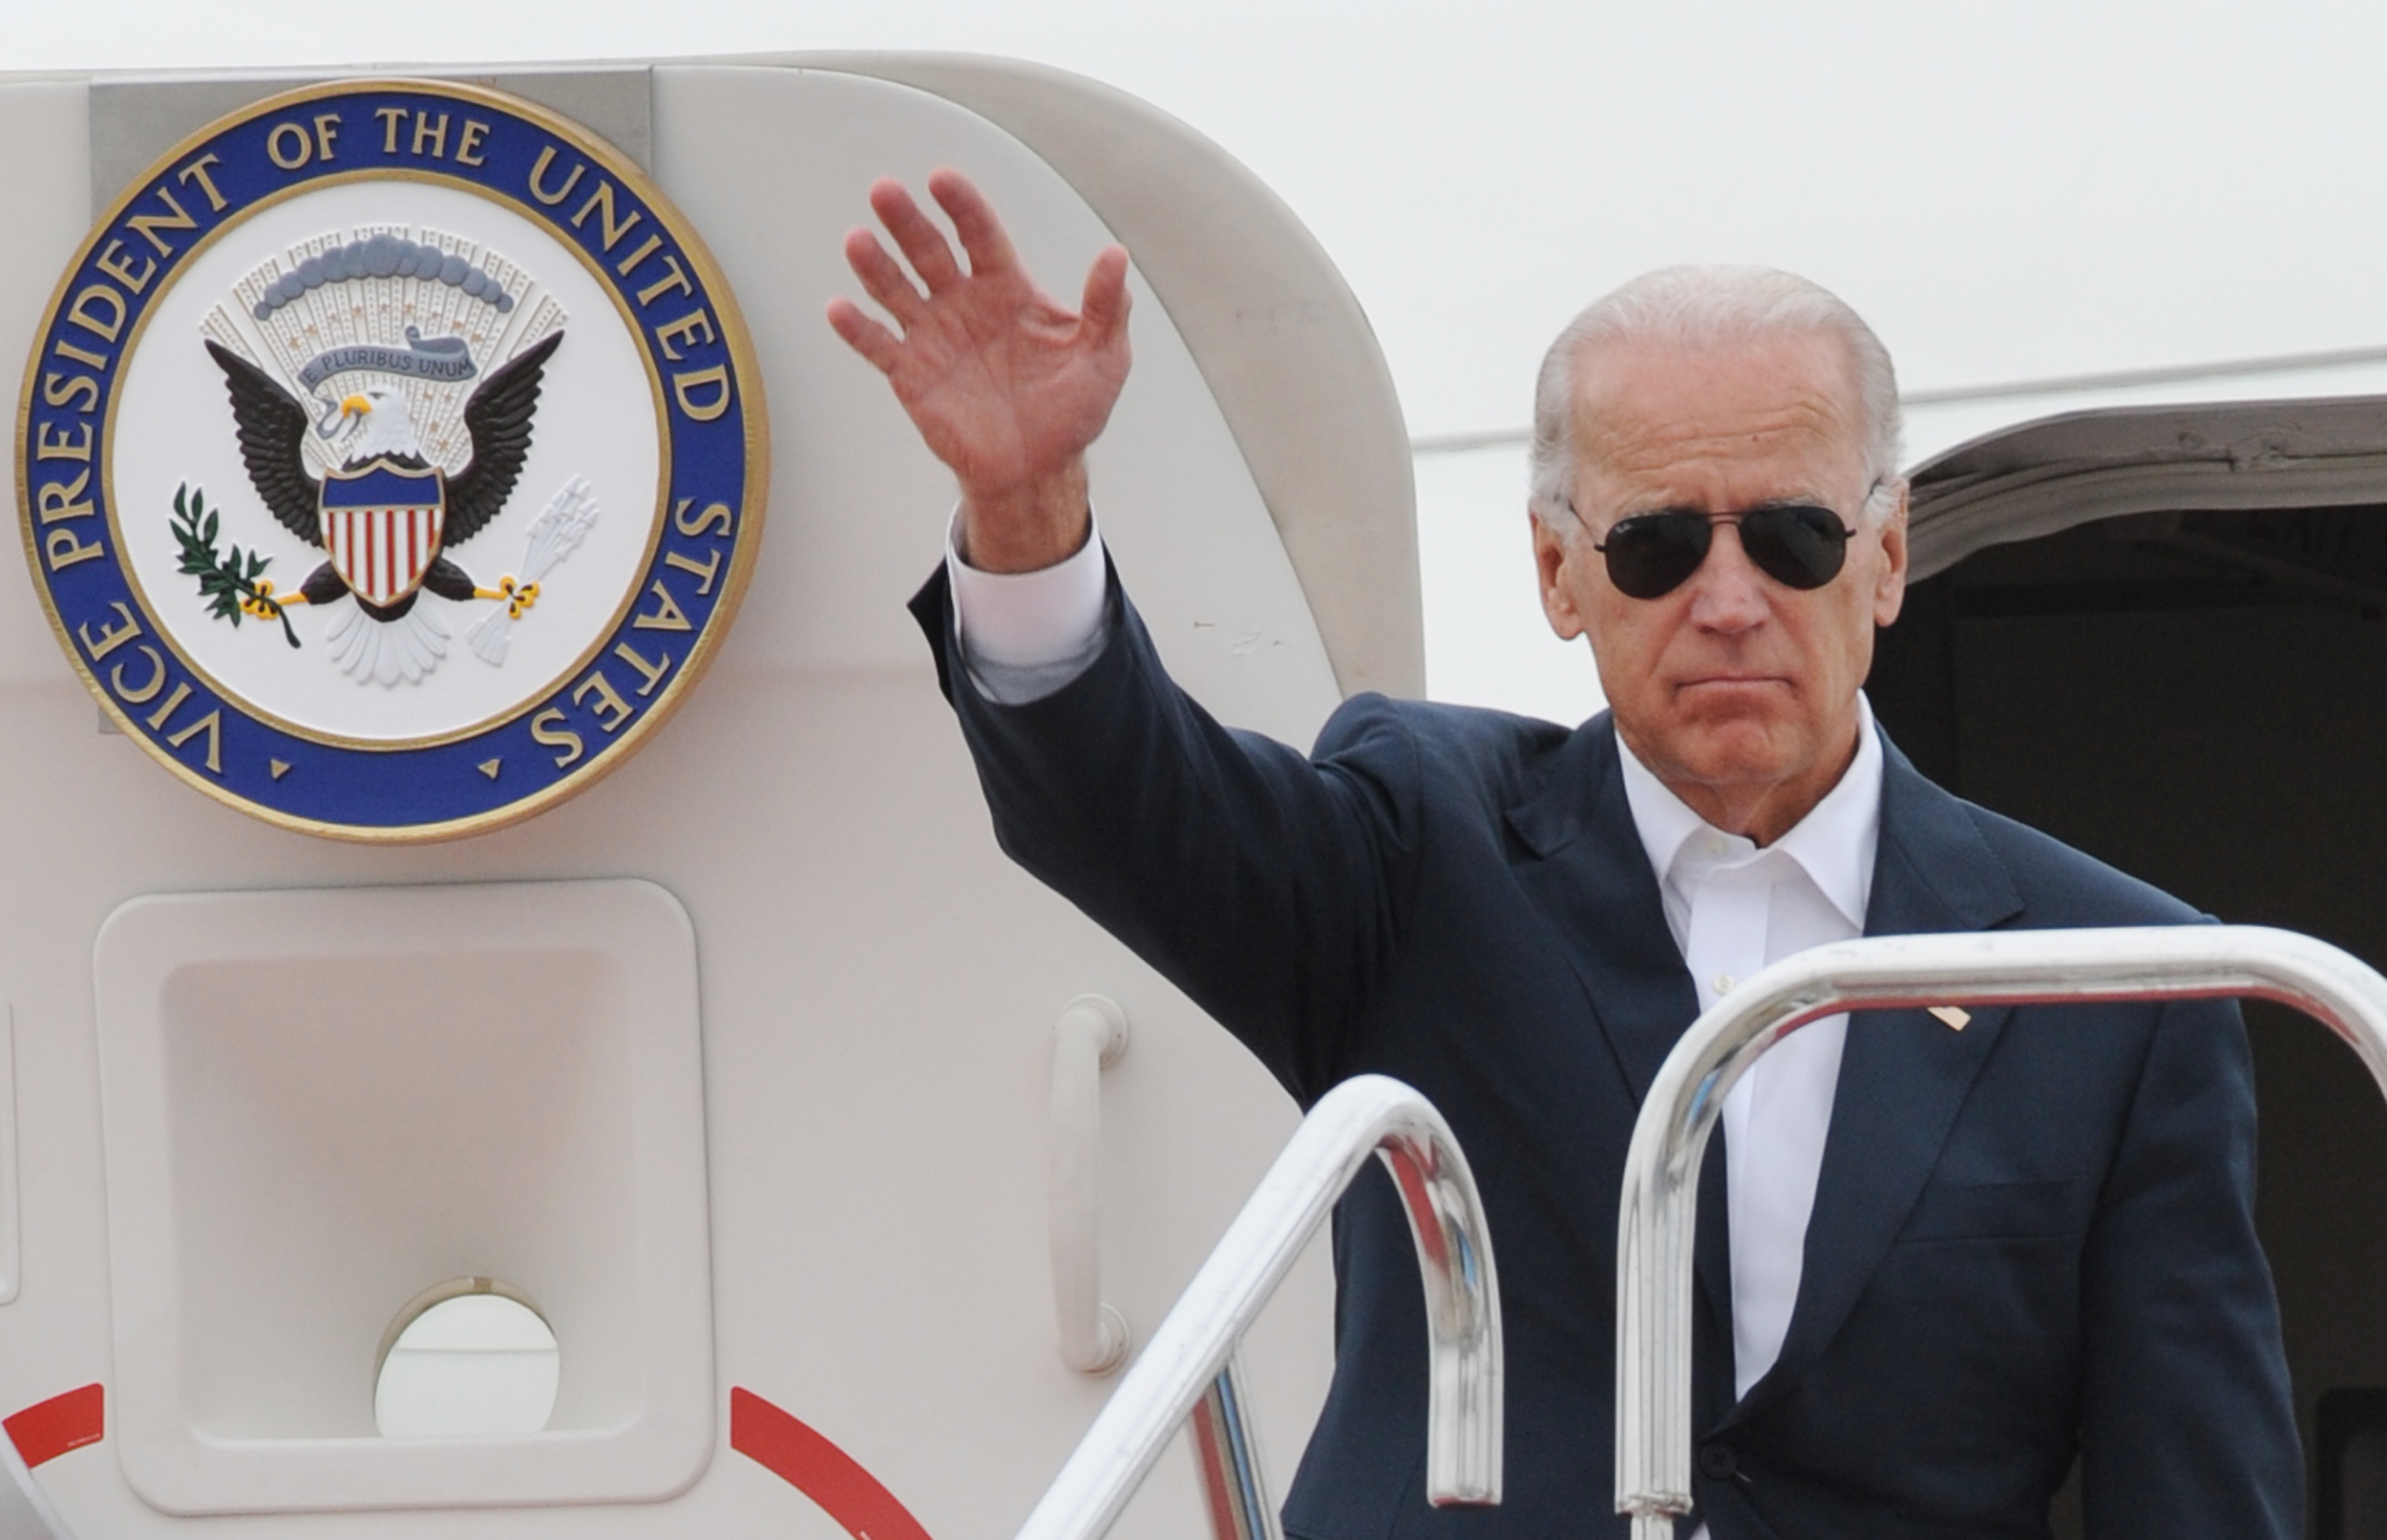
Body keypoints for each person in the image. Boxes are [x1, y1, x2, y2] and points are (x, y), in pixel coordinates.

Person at [830, 170, 2300, 1538]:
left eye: (1792, 537)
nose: (1729, 599)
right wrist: (1026, 511)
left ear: (1888, 554)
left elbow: (2200, 1493)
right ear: (1557, 572)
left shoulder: (2120, 982)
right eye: (1657, 547)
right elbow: (1125, 805)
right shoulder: (1421, 850)